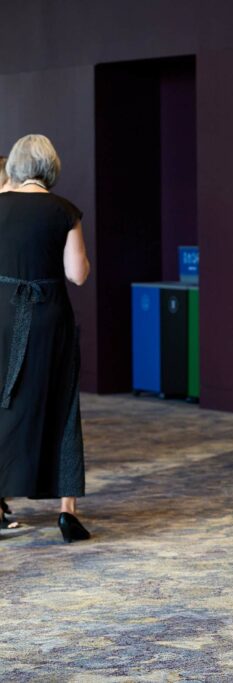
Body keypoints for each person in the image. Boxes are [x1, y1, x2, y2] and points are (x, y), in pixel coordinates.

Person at [0, 134, 91, 542]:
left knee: (3, 402)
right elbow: (78, 274)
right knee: (62, 402)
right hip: (48, 313)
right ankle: (67, 511)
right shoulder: (65, 210)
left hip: (2, 310)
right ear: (51, 167)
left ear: (16, 166)